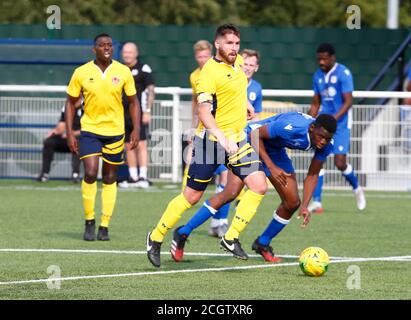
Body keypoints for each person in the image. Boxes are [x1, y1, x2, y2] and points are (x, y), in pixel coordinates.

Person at [147, 24, 267, 268]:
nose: (234, 48)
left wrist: (246, 104)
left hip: (238, 139)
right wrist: (221, 137)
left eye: (236, 43)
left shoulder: (239, 62)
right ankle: (156, 236)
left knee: (259, 185)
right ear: (218, 44)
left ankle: (230, 237)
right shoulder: (208, 73)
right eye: (229, 43)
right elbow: (203, 111)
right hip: (210, 142)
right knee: (191, 196)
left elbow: (238, 86)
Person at [171, 112, 336, 263]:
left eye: (327, 139)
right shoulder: (293, 127)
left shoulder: (327, 144)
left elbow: (313, 174)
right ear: (312, 127)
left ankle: (262, 243)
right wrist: (270, 167)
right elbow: (255, 134)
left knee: (293, 202)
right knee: (231, 192)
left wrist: (306, 205)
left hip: (274, 150)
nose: (323, 141)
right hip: (249, 141)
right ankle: (183, 232)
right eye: (321, 136)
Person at [65, 33, 140, 241]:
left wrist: (136, 129)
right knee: (90, 173)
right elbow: (70, 102)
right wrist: (70, 132)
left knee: (109, 177)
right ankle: (89, 221)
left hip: (115, 132)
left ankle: (104, 225)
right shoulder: (81, 72)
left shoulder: (123, 71)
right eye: (102, 45)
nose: (106, 48)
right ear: (94, 49)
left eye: (109, 45)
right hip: (90, 130)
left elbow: (134, 102)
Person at [308, 43, 366, 214]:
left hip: (340, 124)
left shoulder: (343, 73)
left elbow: (348, 101)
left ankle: (357, 188)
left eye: (325, 58)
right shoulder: (317, 75)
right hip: (323, 125)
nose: (321, 62)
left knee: (339, 162)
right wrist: (310, 121)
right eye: (319, 59)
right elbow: (316, 102)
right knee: (318, 160)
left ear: (332, 58)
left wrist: (332, 120)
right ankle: (316, 202)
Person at [182, 40, 231, 238]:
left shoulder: (221, 70)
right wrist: (193, 130)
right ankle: (216, 222)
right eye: (199, 57)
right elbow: (197, 105)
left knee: (229, 179)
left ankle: (220, 221)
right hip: (207, 135)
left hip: (226, 130)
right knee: (196, 191)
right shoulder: (195, 76)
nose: (202, 59)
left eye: (205, 56)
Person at [119, 42, 155, 188]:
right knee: (128, 145)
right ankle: (133, 177)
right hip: (122, 114)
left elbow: (151, 90)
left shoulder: (144, 68)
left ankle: (143, 177)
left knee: (140, 144)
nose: (127, 55)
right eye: (125, 52)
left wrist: (147, 111)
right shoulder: (119, 69)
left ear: (136, 53)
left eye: (130, 52)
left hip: (138, 113)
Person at [37, 101, 82, 183]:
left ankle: (75, 175)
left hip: (82, 140)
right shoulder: (67, 106)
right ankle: (45, 174)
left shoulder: (88, 106)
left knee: (78, 143)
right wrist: (54, 132)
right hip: (68, 139)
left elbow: (89, 129)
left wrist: (72, 134)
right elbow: (61, 126)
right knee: (49, 142)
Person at [242, 49, 263, 119]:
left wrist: (255, 129)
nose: (248, 68)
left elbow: (257, 114)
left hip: (247, 127)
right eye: (245, 64)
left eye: (251, 65)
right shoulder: (229, 83)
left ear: (256, 68)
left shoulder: (257, 87)